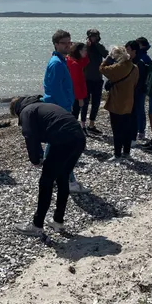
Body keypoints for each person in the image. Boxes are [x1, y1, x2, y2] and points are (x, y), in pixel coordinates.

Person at [9, 96, 87, 236]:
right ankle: (58, 221)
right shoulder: (42, 106)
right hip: (79, 138)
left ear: (16, 110)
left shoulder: (26, 111)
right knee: (63, 178)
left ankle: (37, 225)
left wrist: (35, 160)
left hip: (63, 140)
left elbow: (30, 136)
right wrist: (39, 155)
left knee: (46, 181)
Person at [43, 30, 88, 194]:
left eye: (69, 42)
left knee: (55, 144)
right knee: (67, 147)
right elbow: (54, 90)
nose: (68, 46)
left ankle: (50, 176)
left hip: (61, 108)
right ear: (56, 44)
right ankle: (69, 181)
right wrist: (64, 110)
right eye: (64, 43)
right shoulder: (56, 63)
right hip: (59, 110)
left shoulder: (61, 61)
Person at [99, 46, 139, 158]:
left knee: (116, 129)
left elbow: (101, 68)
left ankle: (117, 154)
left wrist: (108, 58)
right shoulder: (135, 67)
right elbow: (135, 83)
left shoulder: (116, 68)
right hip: (129, 101)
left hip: (117, 102)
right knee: (127, 127)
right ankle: (127, 152)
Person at [83, 29, 109, 134]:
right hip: (86, 79)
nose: (93, 38)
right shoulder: (85, 47)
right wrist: (87, 46)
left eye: (95, 36)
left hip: (97, 79)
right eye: (92, 36)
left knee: (96, 103)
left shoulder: (100, 47)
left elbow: (106, 55)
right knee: (84, 103)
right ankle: (83, 124)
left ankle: (91, 124)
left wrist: (96, 45)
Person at [134, 38, 152, 143]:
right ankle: (138, 130)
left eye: (137, 44)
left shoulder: (143, 58)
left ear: (142, 45)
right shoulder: (142, 57)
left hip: (140, 87)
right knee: (137, 109)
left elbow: (147, 75)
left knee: (139, 109)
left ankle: (141, 131)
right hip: (139, 87)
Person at [66, 42, 90, 128]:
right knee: (74, 115)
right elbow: (75, 83)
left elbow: (86, 62)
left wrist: (85, 54)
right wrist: (80, 98)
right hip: (75, 95)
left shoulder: (74, 60)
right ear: (79, 51)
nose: (86, 52)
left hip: (74, 94)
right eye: (84, 50)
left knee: (73, 115)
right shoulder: (74, 64)